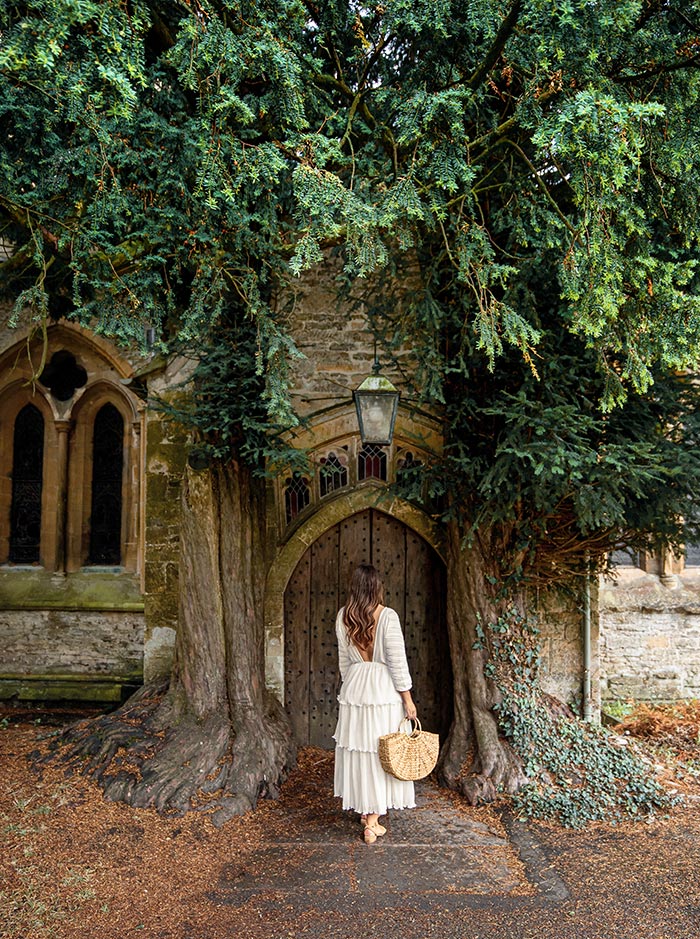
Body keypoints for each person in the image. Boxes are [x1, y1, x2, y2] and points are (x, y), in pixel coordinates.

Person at [333, 563, 417, 844]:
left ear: (354, 588)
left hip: (356, 688)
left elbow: (344, 663)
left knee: (361, 750)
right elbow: (397, 661)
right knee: (382, 750)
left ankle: (365, 808)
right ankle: (372, 822)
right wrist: (408, 699)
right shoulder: (387, 616)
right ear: (376, 587)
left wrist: (352, 687)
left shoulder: (343, 616)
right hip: (382, 690)